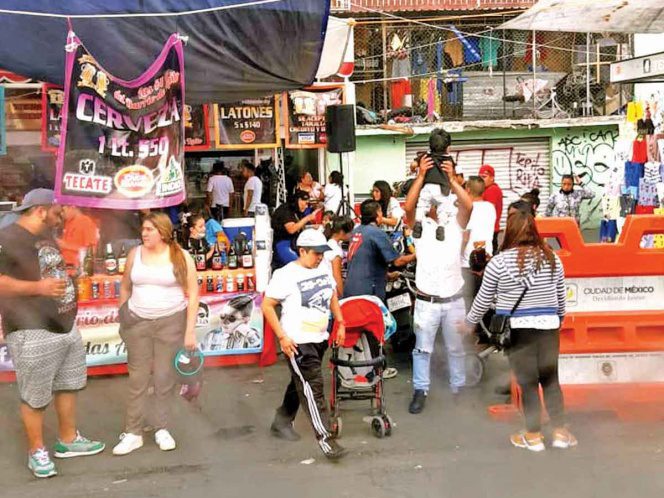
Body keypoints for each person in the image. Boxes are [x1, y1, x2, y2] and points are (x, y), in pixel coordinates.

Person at [0, 189, 104, 478]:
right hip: (31, 328)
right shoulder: (7, 238)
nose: (62, 216)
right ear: (40, 210)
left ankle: (68, 440)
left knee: (68, 384)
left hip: (64, 323)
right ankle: (37, 451)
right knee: (35, 394)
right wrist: (38, 289)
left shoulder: (43, 236)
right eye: (58, 211)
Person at [462, 209, 575, 452]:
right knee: (551, 380)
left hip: (518, 330)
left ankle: (533, 437)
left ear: (509, 233)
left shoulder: (499, 263)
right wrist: (560, 319)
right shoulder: (552, 259)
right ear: (534, 231)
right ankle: (560, 433)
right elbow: (560, 297)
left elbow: (483, 299)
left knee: (528, 382)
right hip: (548, 327)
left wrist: (469, 323)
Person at [112, 212, 199, 456]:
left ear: (162, 232)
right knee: (137, 379)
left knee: (164, 377)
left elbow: (193, 293)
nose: (144, 233)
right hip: (138, 321)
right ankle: (133, 432)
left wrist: (189, 331)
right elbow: (126, 286)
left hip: (171, 322)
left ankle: (162, 427)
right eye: (143, 229)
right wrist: (123, 314)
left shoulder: (181, 256)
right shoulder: (134, 254)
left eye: (149, 229)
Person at [262, 229, 347, 460]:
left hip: (319, 339)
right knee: (314, 388)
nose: (320, 257)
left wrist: (340, 321)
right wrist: (282, 337)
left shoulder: (323, 269)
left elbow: (331, 296)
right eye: (316, 253)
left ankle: (281, 422)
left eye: (322, 253)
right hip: (297, 342)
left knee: (301, 383)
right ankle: (326, 439)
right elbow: (267, 305)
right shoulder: (285, 274)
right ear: (302, 251)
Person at [404, 156, 474, 413]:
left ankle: (459, 388)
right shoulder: (419, 228)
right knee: (422, 349)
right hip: (427, 302)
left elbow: (468, 206)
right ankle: (420, 390)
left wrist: (453, 180)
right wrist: (421, 176)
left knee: (456, 349)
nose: (435, 203)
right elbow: (408, 207)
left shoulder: (456, 225)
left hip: (454, 300)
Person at [344, 200, 415, 302]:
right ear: (377, 214)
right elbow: (398, 261)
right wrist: (417, 255)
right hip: (368, 293)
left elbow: (366, 259)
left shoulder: (356, 232)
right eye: (381, 212)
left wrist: (387, 275)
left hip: (351, 289)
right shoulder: (377, 233)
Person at [411, 128, 455, 241]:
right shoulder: (449, 159)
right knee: (444, 209)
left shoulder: (425, 156)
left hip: (428, 186)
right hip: (443, 189)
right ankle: (441, 226)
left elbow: (413, 164)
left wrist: (414, 168)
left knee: (422, 204)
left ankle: (418, 222)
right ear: (448, 147)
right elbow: (455, 174)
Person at [461, 176, 496, 312]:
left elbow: (465, 237)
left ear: (467, 190)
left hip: (467, 264)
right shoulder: (490, 208)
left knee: (467, 304)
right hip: (486, 262)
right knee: (483, 302)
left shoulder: (468, 210)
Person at [271, 190, 320, 269]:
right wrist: (308, 218)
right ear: (299, 200)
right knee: (300, 266)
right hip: (282, 243)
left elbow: (300, 226)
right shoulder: (286, 210)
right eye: (306, 203)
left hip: (294, 242)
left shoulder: (298, 211)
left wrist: (312, 227)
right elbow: (292, 229)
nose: (307, 206)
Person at [321, 216, 354, 296]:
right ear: (342, 232)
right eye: (350, 232)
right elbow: (336, 276)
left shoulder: (329, 244)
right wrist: (342, 295)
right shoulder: (336, 251)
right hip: (331, 290)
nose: (351, 234)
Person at [479, 164, 503, 253]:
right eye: (480, 177)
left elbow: (488, 210)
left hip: (489, 228)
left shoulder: (492, 190)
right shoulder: (487, 189)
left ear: (492, 178)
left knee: (488, 253)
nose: (481, 180)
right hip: (490, 228)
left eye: (484, 177)